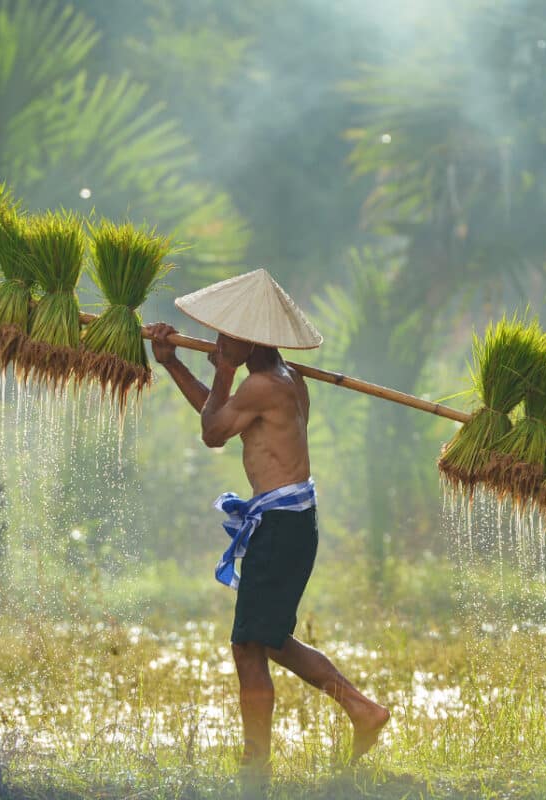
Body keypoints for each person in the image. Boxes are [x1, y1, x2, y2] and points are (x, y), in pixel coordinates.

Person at [145, 269, 389, 789]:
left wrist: (225, 371)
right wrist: (173, 365)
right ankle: (359, 710)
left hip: (282, 524)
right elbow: (224, 419)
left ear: (249, 340)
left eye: (227, 335)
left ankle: (259, 764)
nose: (217, 342)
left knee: (250, 645)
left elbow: (213, 432)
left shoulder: (262, 384)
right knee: (268, 639)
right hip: (288, 521)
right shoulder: (285, 380)